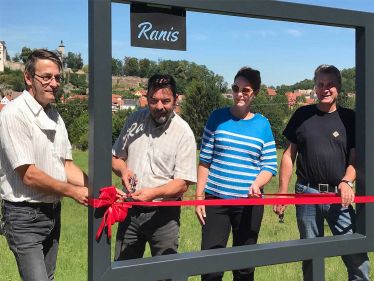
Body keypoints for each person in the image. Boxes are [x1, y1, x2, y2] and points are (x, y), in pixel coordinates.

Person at [274, 64, 370, 281]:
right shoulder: (302, 115)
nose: (325, 89)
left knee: (355, 253)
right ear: (315, 87)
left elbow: (356, 158)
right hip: (306, 192)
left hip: (340, 195)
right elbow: (289, 156)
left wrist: (347, 181)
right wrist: (282, 192)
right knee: (310, 255)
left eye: (331, 85)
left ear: (339, 88)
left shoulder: (350, 118)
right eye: (321, 84)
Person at [0, 49, 89, 281]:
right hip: (24, 215)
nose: (54, 83)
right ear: (29, 78)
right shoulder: (14, 114)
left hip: (51, 212)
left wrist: (100, 188)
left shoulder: (55, 116)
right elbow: (28, 175)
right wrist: (73, 192)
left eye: (57, 77)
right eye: (46, 77)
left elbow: (66, 165)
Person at [195, 66, 278, 281]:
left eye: (246, 90)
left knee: (244, 267)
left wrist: (257, 184)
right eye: (235, 88)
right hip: (216, 200)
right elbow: (204, 160)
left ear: (255, 94)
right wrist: (198, 198)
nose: (239, 94)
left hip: (249, 203)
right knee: (211, 267)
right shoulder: (217, 118)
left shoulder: (262, 124)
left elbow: (269, 165)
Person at [112, 74, 197, 261]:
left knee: (165, 272)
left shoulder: (184, 133)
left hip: (164, 215)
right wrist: (124, 170)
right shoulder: (134, 121)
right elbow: (116, 157)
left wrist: (154, 194)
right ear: (146, 98)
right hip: (130, 210)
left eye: (166, 101)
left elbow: (182, 184)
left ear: (176, 100)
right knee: (124, 271)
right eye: (154, 100)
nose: (159, 106)